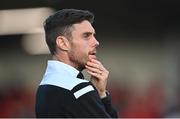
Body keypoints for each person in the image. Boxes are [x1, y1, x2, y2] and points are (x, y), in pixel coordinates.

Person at [35, 8, 118, 118]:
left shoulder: (44, 87)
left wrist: (100, 92)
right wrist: (103, 98)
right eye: (86, 36)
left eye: (93, 35)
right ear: (63, 43)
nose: (96, 42)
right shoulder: (77, 90)